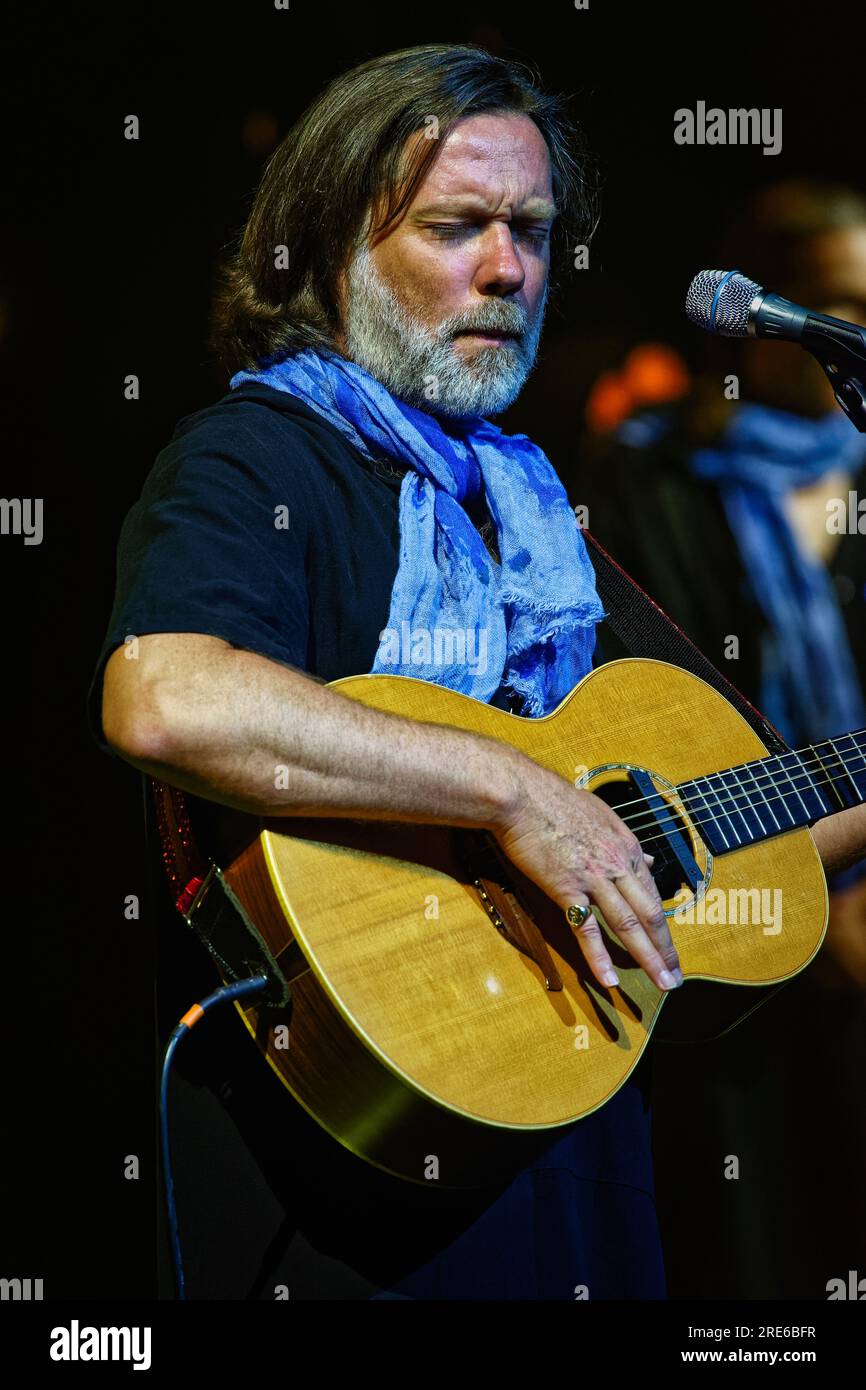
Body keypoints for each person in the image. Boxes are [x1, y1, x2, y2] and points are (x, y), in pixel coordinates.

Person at [87, 48, 866, 1300]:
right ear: (329, 245)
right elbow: (165, 694)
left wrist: (611, 828)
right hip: (336, 1170)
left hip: (573, 1131)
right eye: (457, 227)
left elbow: (760, 811)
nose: (507, 268)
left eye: (532, 230)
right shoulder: (257, 459)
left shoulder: (539, 516)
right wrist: (515, 794)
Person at [575, 179, 866, 1295]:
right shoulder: (645, 473)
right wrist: (822, 895)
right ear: (759, 316)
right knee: (752, 1247)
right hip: (725, 895)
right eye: (835, 306)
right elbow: (641, 709)